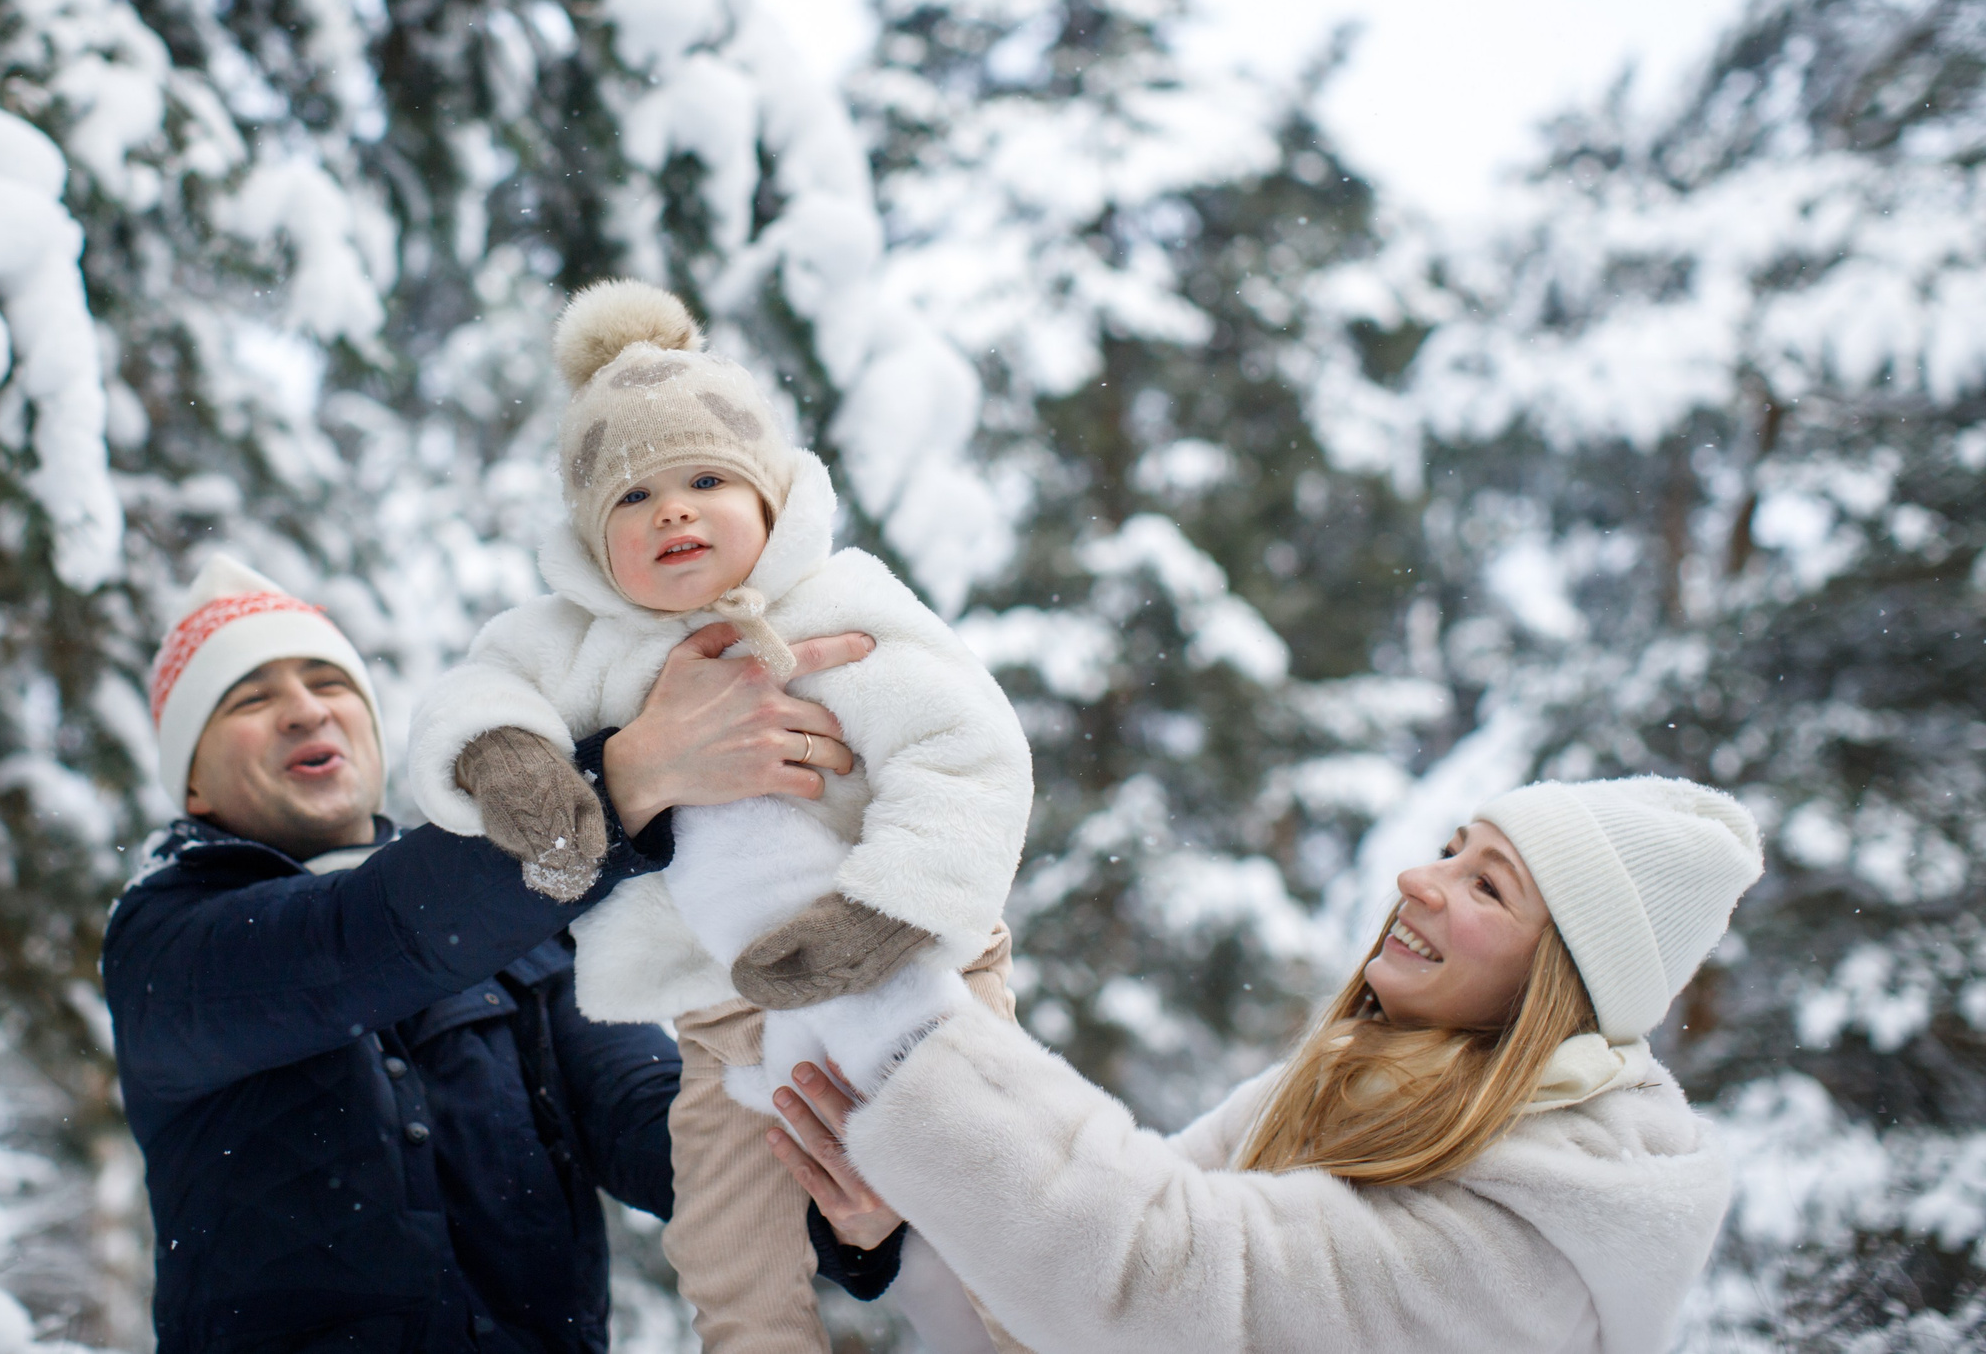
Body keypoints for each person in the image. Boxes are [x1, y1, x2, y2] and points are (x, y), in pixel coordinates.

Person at [399, 281, 1034, 1354]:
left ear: (773, 499)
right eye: (633, 500)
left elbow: (965, 753)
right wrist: (508, 759)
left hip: (917, 974)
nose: (674, 512)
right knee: (726, 1248)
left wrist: (888, 911)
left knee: (1000, 1206)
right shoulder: (577, 640)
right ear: (596, 544)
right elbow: (476, 692)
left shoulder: (839, 609)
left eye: (704, 480)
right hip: (724, 1015)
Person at [100, 552, 901, 1354]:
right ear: (193, 782)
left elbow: (644, 1112)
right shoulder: (169, 936)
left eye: (330, 682)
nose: (307, 711)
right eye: (251, 697)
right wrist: (626, 776)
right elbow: (357, 942)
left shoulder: (506, 926)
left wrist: (829, 1195)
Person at [771, 775, 1765, 1354]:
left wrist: (907, 1027)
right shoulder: (1362, 1074)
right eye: (1449, 850)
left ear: (1560, 983)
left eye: (1485, 887)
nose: (1417, 879)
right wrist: (899, 1236)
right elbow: (1085, 1305)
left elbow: (1166, 1280)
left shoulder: (1533, 1239)